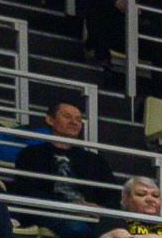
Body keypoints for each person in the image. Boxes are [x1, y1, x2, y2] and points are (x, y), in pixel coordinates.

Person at [11, 95, 119, 225]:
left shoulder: (95, 160)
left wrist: (100, 209)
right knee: (77, 228)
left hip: (90, 217)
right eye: (67, 117)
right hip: (50, 213)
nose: (74, 122)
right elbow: (28, 191)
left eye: (79, 119)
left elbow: (112, 194)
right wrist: (69, 208)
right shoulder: (31, 154)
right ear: (50, 120)